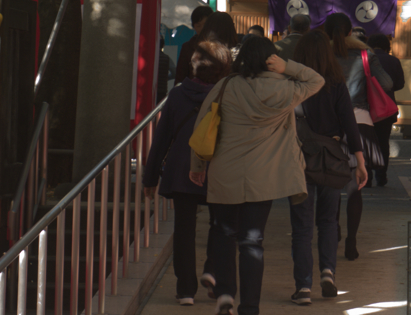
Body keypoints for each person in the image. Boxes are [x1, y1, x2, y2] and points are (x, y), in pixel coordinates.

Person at [190, 36, 325, 315]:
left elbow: (203, 125)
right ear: (269, 59)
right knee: (252, 241)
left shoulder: (226, 86)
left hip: (225, 172)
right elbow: (316, 80)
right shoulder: (285, 89)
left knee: (225, 234)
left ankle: (225, 294)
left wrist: (197, 166)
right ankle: (249, 306)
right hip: (263, 178)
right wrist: (286, 66)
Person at [143, 40, 232, 305]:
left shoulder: (178, 94)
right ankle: (212, 270)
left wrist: (150, 178)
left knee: (184, 228)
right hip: (219, 168)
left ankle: (185, 290)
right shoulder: (228, 94)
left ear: (194, 65)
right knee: (222, 224)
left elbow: (161, 139)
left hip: (182, 168)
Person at [288, 31, 367, 305]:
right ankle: (328, 272)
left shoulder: (292, 85)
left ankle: (303, 288)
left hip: (298, 159)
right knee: (328, 221)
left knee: (301, 226)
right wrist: (360, 161)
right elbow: (349, 124)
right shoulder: (335, 84)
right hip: (332, 161)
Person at [321, 12, 392, 260]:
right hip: (360, 122)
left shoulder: (322, 55)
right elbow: (387, 84)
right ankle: (352, 242)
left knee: (330, 184)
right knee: (355, 187)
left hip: (327, 126)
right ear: (351, 32)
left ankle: (334, 230)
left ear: (326, 33)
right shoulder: (366, 54)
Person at [366, 33, 405, 187]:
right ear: (386, 46)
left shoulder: (364, 59)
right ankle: (381, 175)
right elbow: (400, 84)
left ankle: (366, 176)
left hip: (367, 106)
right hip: (386, 107)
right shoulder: (394, 61)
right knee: (383, 142)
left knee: (366, 141)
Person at [175, 5, 214, 83]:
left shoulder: (220, 46)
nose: (203, 28)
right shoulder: (187, 47)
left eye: (205, 24)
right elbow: (180, 77)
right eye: (198, 26)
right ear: (194, 27)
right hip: (193, 92)